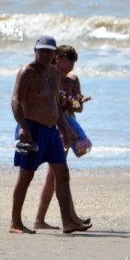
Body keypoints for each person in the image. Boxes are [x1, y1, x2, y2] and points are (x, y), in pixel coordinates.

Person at [10, 36, 91, 235]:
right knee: (26, 176)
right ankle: (16, 222)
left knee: (62, 174)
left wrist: (65, 130)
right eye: (42, 51)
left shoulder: (55, 74)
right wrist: (22, 128)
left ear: (54, 54)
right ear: (35, 51)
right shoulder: (27, 72)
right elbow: (16, 101)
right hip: (31, 129)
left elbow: (55, 104)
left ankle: (68, 222)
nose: (45, 55)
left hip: (52, 131)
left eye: (49, 51)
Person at [34, 45, 92, 230]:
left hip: (68, 124)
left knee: (59, 174)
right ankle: (43, 219)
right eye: (69, 61)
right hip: (55, 126)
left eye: (74, 62)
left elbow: (77, 108)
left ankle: (70, 217)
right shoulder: (48, 77)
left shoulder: (72, 79)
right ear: (57, 58)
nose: (72, 67)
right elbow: (47, 102)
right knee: (56, 174)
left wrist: (76, 101)